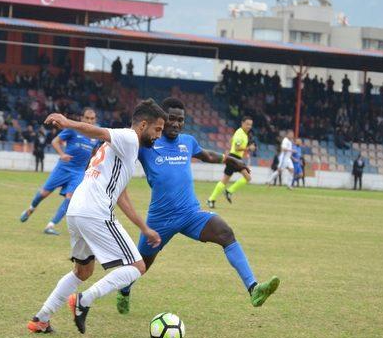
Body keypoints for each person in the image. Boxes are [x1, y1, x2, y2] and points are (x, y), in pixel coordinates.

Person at [116, 98, 279, 314]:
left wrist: (234, 161)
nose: (175, 123)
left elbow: (207, 155)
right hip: (160, 221)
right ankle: (125, 290)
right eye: (171, 118)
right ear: (161, 119)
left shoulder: (187, 142)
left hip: (190, 214)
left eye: (180, 120)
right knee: (141, 266)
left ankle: (254, 288)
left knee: (225, 233)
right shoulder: (147, 143)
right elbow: (121, 148)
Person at [27, 99, 167, 334]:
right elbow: (98, 131)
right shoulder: (129, 137)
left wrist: (143, 228)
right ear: (143, 125)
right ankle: (85, 300)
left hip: (77, 210)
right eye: (158, 130)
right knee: (137, 266)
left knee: (83, 271)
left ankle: (41, 319)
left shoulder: (121, 152)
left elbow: (121, 195)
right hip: (95, 211)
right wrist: (67, 122)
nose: (158, 136)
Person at [20, 108, 99, 235]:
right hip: (63, 167)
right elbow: (55, 141)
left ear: (95, 120)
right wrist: (62, 154)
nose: (89, 121)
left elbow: (94, 154)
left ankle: (50, 226)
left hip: (78, 172)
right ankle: (31, 209)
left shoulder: (96, 136)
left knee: (70, 199)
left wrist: (91, 168)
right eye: (87, 118)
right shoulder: (73, 129)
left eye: (92, 119)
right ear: (82, 118)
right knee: (43, 193)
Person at [206, 116, 255, 207]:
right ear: (242, 123)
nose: (249, 126)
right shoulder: (240, 133)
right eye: (247, 124)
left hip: (234, 158)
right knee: (247, 177)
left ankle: (211, 199)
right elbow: (237, 147)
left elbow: (232, 141)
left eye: (250, 125)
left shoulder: (242, 133)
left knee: (225, 180)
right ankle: (228, 192)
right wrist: (248, 148)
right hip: (235, 158)